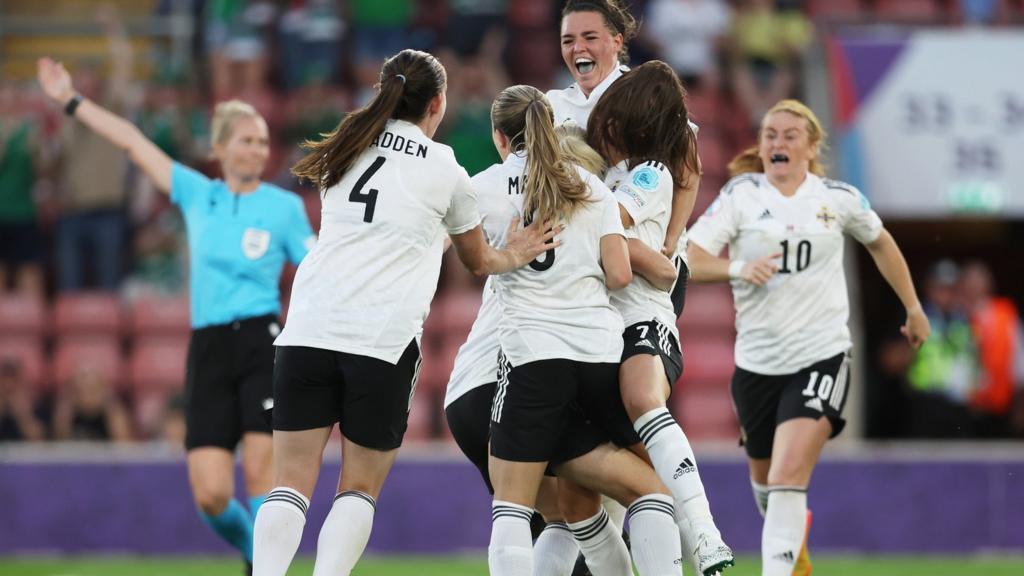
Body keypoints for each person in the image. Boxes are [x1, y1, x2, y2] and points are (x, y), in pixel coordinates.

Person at [252, 49, 555, 576]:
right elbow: (479, 259)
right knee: (359, 489)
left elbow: (390, 228)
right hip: (381, 340)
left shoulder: (347, 144)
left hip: (308, 327)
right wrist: (521, 250)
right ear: (437, 103)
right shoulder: (445, 169)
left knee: (289, 486)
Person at [37, 58, 316, 575]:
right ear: (220, 148)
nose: (256, 149)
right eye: (245, 140)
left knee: (259, 473)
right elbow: (131, 142)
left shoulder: (284, 208)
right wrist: (71, 100)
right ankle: (257, 553)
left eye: (261, 141)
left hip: (262, 341)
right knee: (210, 494)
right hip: (208, 347)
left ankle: (264, 570)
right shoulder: (198, 193)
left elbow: (318, 267)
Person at [686, 99, 930, 576]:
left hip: (821, 355)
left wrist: (913, 306)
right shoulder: (741, 196)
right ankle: (794, 555)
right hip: (757, 364)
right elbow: (690, 258)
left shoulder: (836, 198)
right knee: (767, 487)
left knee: (784, 477)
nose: (777, 143)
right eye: (770, 134)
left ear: (812, 145)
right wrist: (738, 267)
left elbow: (879, 242)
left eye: (789, 135)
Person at [481, 84, 682, 576]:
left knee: (513, 507)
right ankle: (698, 533)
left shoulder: (482, 185)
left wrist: (509, 254)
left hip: (533, 355)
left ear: (500, 137)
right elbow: (618, 275)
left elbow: (469, 260)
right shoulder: (589, 187)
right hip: (598, 355)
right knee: (648, 489)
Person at [587, 59, 733, 575]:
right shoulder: (619, 174)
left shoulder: (648, 172)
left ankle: (705, 532)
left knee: (643, 399)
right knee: (617, 481)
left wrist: (653, 253)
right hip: (603, 327)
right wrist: (655, 252)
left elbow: (603, 228)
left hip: (641, 318)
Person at [52, 367, 132, 442]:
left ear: (103, 391)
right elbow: (59, 446)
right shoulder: (66, 413)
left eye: (92, 390)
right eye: (80, 391)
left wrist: (113, 413)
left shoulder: (112, 413)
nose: (86, 396)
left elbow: (123, 447)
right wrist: (64, 414)